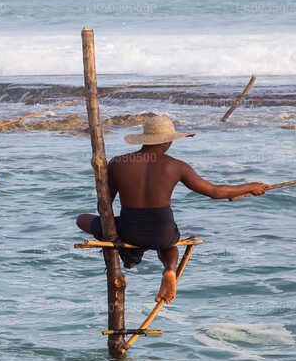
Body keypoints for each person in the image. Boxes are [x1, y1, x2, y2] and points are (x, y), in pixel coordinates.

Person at [76, 115, 268, 304]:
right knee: (169, 243)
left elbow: (105, 205)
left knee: (81, 219)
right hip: (162, 232)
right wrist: (250, 187)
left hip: (129, 231)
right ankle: (169, 268)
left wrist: (113, 234)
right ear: (167, 142)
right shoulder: (177, 166)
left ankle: (132, 253)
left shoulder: (119, 163)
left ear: (145, 140)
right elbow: (215, 192)